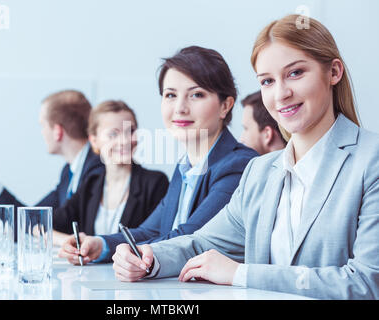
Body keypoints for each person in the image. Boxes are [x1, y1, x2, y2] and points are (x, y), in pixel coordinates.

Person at [111, 15, 379, 300]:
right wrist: (148, 258)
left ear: (334, 72)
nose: (281, 94)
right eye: (267, 81)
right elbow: (201, 244)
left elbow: (366, 282)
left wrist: (240, 273)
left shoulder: (370, 161)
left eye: (296, 73)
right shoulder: (260, 172)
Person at [58, 46, 258, 265]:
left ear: (225, 106)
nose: (180, 108)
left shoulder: (238, 165)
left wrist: (129, 253)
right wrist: (100, 244)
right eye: (170, 95)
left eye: (196, 95)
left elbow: (189, 238)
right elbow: (149, 230)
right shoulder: (185, 167)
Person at [0, 90, 104, 244]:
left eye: (42, 125)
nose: (41, 132)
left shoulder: (97, 168)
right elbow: (29, 218)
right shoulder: (69, 172)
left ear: (57, 131)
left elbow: (37, 224)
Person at [52, 100, 169, 238]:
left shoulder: (155, 183)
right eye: (113, 134)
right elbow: (43, 226)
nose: (124, 141)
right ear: (94, 141)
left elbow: (155, 237)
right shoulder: (91, 184)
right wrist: (69, 242)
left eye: (130, 131)